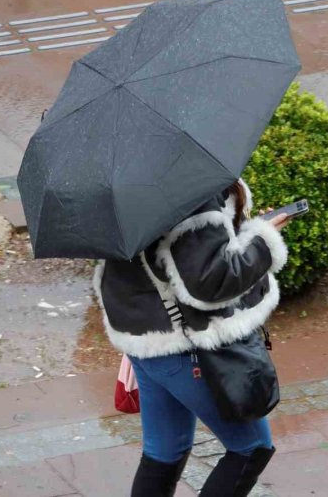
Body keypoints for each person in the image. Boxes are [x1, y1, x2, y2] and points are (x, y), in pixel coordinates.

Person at [93, 179, 289, 496]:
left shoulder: (122, 184)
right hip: (185, 348)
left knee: (165, 451)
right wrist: (263, 242)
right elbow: (209, 285)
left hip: (145, 341)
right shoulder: (187, 188)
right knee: (251, 448)